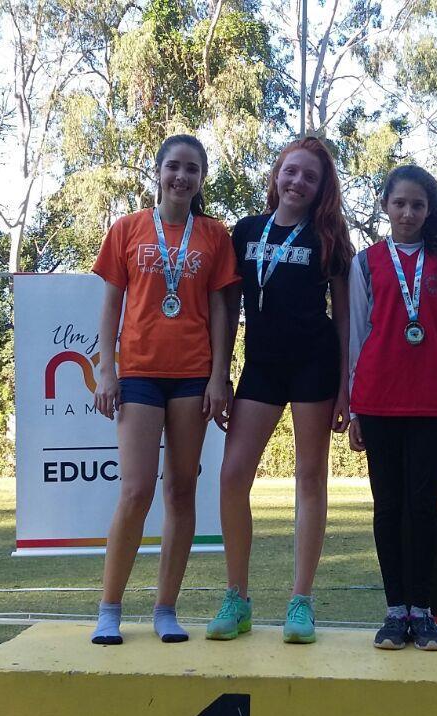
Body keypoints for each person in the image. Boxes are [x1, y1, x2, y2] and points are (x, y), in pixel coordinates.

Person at [89, 134, 239, 645]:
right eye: (174, 166)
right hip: (138, 373)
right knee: (136, 490)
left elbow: (220, 311)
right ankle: (109, 609)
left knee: (180, 489)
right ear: (158, 172)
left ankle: (165, 608)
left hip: (193, 374)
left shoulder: (214, 235)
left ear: (201, 178)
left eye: (192, 169)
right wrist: (105, 369)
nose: (182, 177)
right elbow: (111, 305)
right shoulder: (127, 228)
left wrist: (219, 376)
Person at [206, 137, 355, 644]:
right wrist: (220, 374)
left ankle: (300, 601)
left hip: (315, 366)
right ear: (276, 174)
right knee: (232, 475)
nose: (298, 182)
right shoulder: (246, 231)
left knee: (310, 477)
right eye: (291, 171)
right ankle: (237, 597)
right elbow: (227, 309)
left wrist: (345, 386)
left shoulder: (329, 237)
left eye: (310, 177)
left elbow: (344, 317)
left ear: (321, 188)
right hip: (261, 368)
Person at [347, 165, 437, 651]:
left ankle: (423, 610)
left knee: (422, 508)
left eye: (417, 205)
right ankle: (394, 610)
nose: (408, 212)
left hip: (431, 399)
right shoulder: (365, 263)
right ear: (385, 205)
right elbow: (358, 335)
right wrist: (354, 408)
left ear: (429, 209)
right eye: (399, 203)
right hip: (378, 399)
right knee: (388, 507)